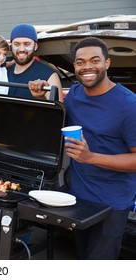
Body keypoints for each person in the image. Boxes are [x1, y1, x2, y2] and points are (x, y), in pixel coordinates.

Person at [29, 37, 136, 259]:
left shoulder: (129, 105)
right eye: (80, 62)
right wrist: (42, 99)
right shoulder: (75, 95)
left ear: (107, 63)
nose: (87, 66)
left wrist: (90, 157)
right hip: (78, 198)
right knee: (80, 257)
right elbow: (55, 122)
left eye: (94, 60)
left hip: (111, 204)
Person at [7, 24, 62, 101]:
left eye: (27, 44)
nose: (21, 49)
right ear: (11, 46)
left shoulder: (50, 76)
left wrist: (40, 97)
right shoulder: (2, 72)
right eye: (16, 44)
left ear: (35, 46)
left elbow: (58, 111)